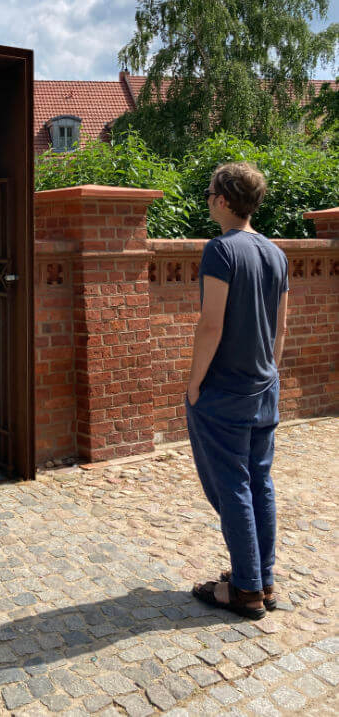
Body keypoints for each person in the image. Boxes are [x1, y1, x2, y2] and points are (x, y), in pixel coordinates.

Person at [186, 162, 288, 619]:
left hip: (225, 392)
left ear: (223, 201)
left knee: (232, 486)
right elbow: (279, 330)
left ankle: (246, 590)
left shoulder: (220, 251)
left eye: (210, 193)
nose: (208, 199)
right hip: (264, 388)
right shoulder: (276, 254)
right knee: (258, 483)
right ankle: (262, 577)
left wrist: (194, 385)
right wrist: (267, 374)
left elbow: (211, 325)